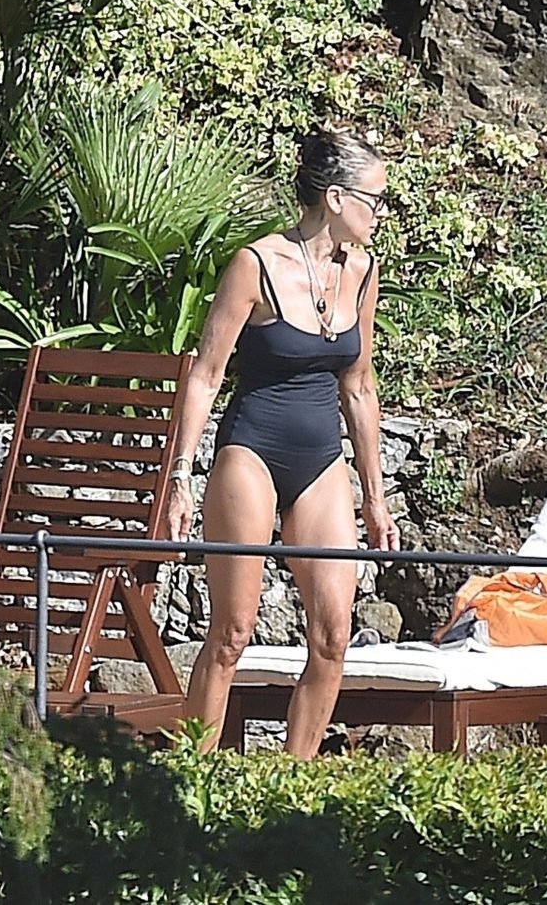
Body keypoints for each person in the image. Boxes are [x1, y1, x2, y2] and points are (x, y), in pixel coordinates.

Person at [165, 124, 401, 758]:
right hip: (252, 450)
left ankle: (296, 784)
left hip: (321, 459)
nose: (382, 212)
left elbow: (359, 388)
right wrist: (180, 477)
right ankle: (192, 778)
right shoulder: (256, 264)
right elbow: (205, 374)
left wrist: (375, 498)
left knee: (333, 634)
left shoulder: (363, 271)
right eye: (376, 199)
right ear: (335, 198)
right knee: (232, 633)